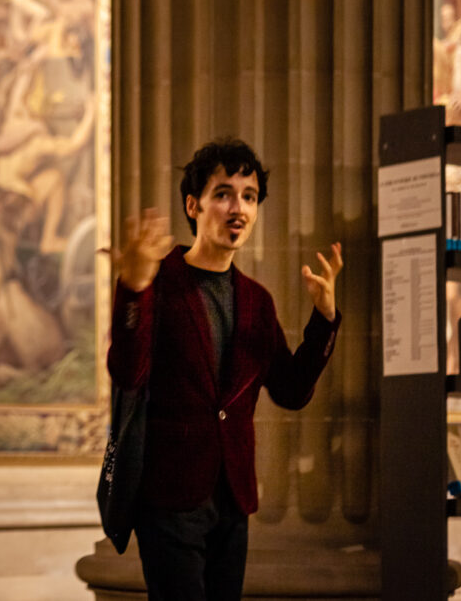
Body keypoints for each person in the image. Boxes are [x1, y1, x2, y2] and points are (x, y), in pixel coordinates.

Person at [107, 138, 343, 601]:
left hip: (232, 498)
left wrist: (325, 319)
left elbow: (292, 391)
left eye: (249, 197)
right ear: (193, 206)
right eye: (223, 194)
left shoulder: (257, 300)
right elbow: (127, 372)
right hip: (170, 498)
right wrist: (134, 288)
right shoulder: (159, 278)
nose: (238, 208)